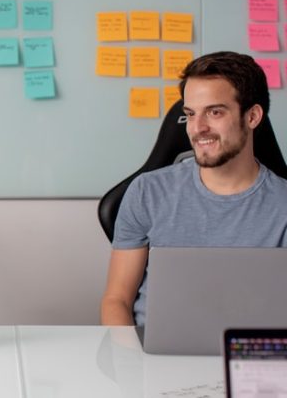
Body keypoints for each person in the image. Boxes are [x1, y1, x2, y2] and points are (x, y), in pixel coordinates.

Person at [101, 51, 287, 326]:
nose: (197, 128)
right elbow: (117, 300)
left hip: (253, 357)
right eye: (190, 114)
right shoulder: (147, 192)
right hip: (155, 358)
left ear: (252, 116)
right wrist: (130, 361)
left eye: (214, 112)